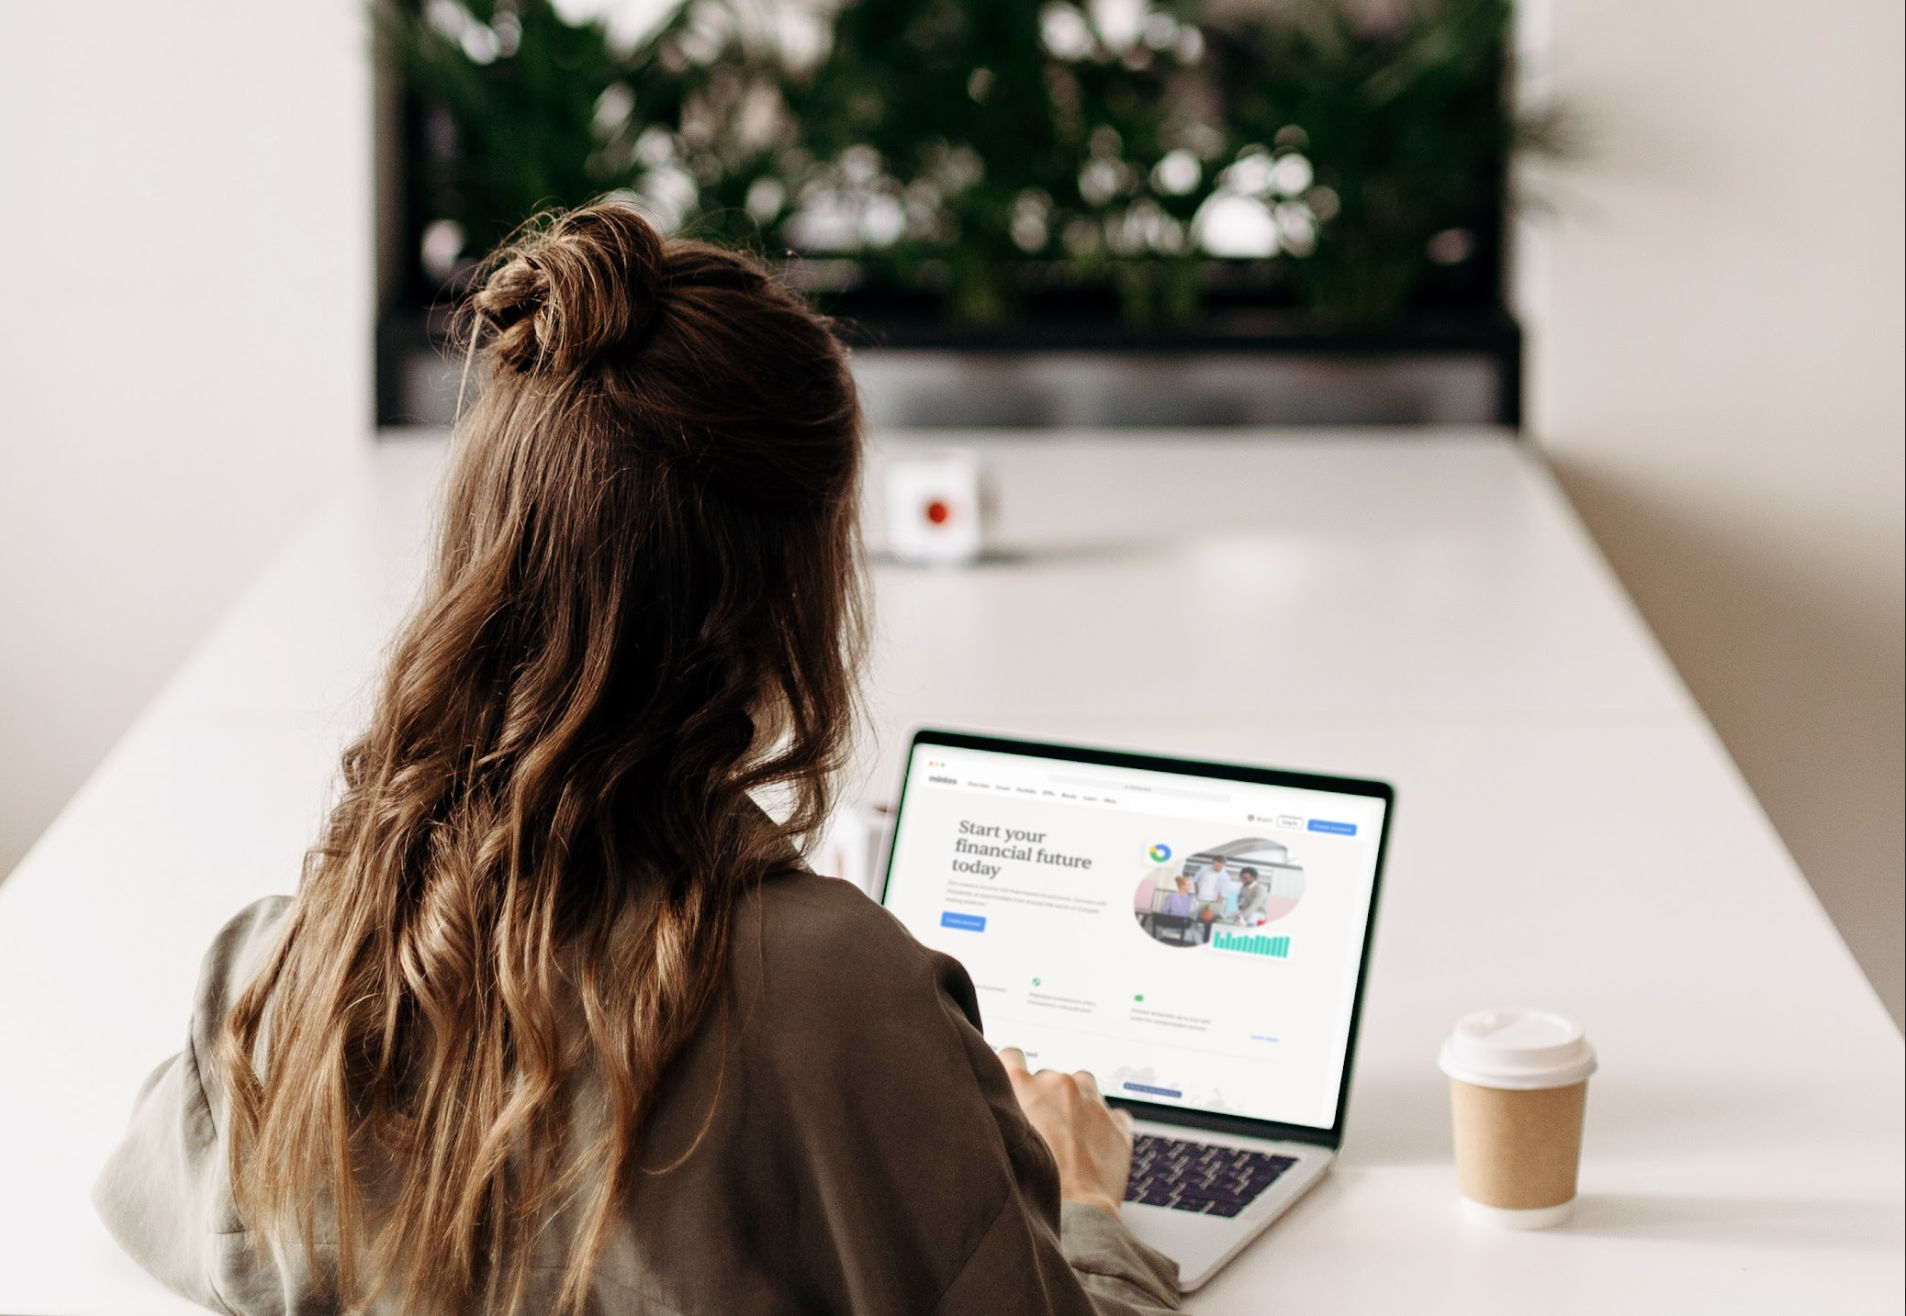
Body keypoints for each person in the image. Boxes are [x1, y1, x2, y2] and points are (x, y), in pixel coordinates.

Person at [92, 202, 1180, 1316]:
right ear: (791, 598)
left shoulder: (285, 976)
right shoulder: (842, 1002)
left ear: (483, 554)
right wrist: (1088, 1203)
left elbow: (169, 1203)